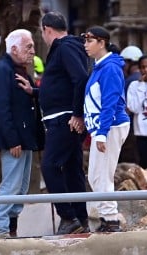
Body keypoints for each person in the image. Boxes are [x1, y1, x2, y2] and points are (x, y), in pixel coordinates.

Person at [0, 30, 41, 239]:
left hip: (24, 138)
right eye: (28, 47)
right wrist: (12, 139)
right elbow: (1, 108)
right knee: (11, 185)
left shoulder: (19, 70)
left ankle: (11, 226)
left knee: (22, 186)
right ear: (14, 49)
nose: (32, 51)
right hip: (14, 140)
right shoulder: (2, 70)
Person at [39, 11, 92, 235]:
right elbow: (62, 84)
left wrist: (77, 114)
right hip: (65, 116)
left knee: (49, 166)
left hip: (65, 119)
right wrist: (35, 91)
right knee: (72, 169)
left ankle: (68, 216)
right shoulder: (69, 47)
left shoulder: (65, 47)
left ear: (47, 30)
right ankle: (80, 217)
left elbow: (80, 78)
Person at [82, 26, 130, 233]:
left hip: (110, 126)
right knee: (95, 175)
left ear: (102, 42)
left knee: (103, 175)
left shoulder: (109, 68)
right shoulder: (99, 66)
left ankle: (111, 220)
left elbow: (110, 101)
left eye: (89, 40)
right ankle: (106, 216)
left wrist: (102, 132)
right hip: (102, 128)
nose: (85, 45)